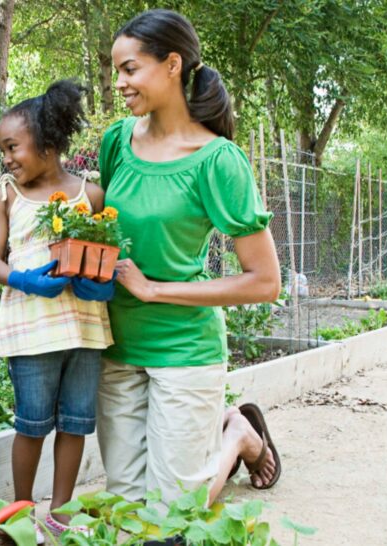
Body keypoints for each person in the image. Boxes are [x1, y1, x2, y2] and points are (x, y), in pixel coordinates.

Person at [96, 9, 283, 506]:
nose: (119, 83)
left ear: (172, 64)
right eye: (117, 70)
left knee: (176, 510)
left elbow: (265, 281)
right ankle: (235, 432)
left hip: (184, 347)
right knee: (126, 504)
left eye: (130, 69)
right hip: (116, 344)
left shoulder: (218, 160)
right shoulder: (116, 142)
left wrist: (155, 289)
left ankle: (239, 436)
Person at [0, 80, 117, 539]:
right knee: (32, 424)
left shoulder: (91, 196)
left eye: (13, 146)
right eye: (3, 149)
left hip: (83, 330)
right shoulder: (7, 195)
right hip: (30, 331)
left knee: (75, 423)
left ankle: (61, 510)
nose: (7, 158)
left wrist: (99, 283)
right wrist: (21, 279)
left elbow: (104, 251)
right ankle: (22, 511)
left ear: (48, 142)